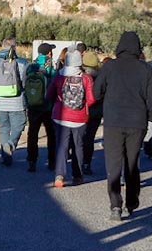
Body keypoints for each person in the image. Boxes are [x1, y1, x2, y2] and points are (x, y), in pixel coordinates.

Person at [94, 31, 152, 219]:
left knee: (113, 164)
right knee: (132, 163)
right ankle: (131, 202)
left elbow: (96, 92)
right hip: (137, 122)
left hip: (113, 122)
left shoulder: (110, 67)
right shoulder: (146, 69)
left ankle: (115, 205)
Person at [48, 49, 95, 187]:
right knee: (78, 146)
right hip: (80, 118)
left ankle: (59, 176)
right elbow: (91, 99)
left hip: (60, 116)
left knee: (62, 146)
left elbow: (48, 95)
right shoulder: (86, 78)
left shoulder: (59, 76)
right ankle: (77, 176)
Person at [0, 40, 29, 166]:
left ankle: (5, 156)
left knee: (3, 129)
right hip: (17, 103)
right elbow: (25, 85)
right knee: (19, 126)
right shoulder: (22, 63)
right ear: (14, 48)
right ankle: (10, 145)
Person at [24, 43, 57, 174]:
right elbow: (54, 81)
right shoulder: (50, 65)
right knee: (51, 135)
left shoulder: (32, 65)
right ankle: (52, 161)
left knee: (32, 134)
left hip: (33, 105)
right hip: (48, 106)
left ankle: (32, 161)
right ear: (48, 53)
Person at [80, 50, 104, 174]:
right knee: (89, 139)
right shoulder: (101, 76)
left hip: (81, 110)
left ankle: (77, 162)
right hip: (96, 112)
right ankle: (86, 163)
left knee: (79, 138)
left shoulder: (80, 75)